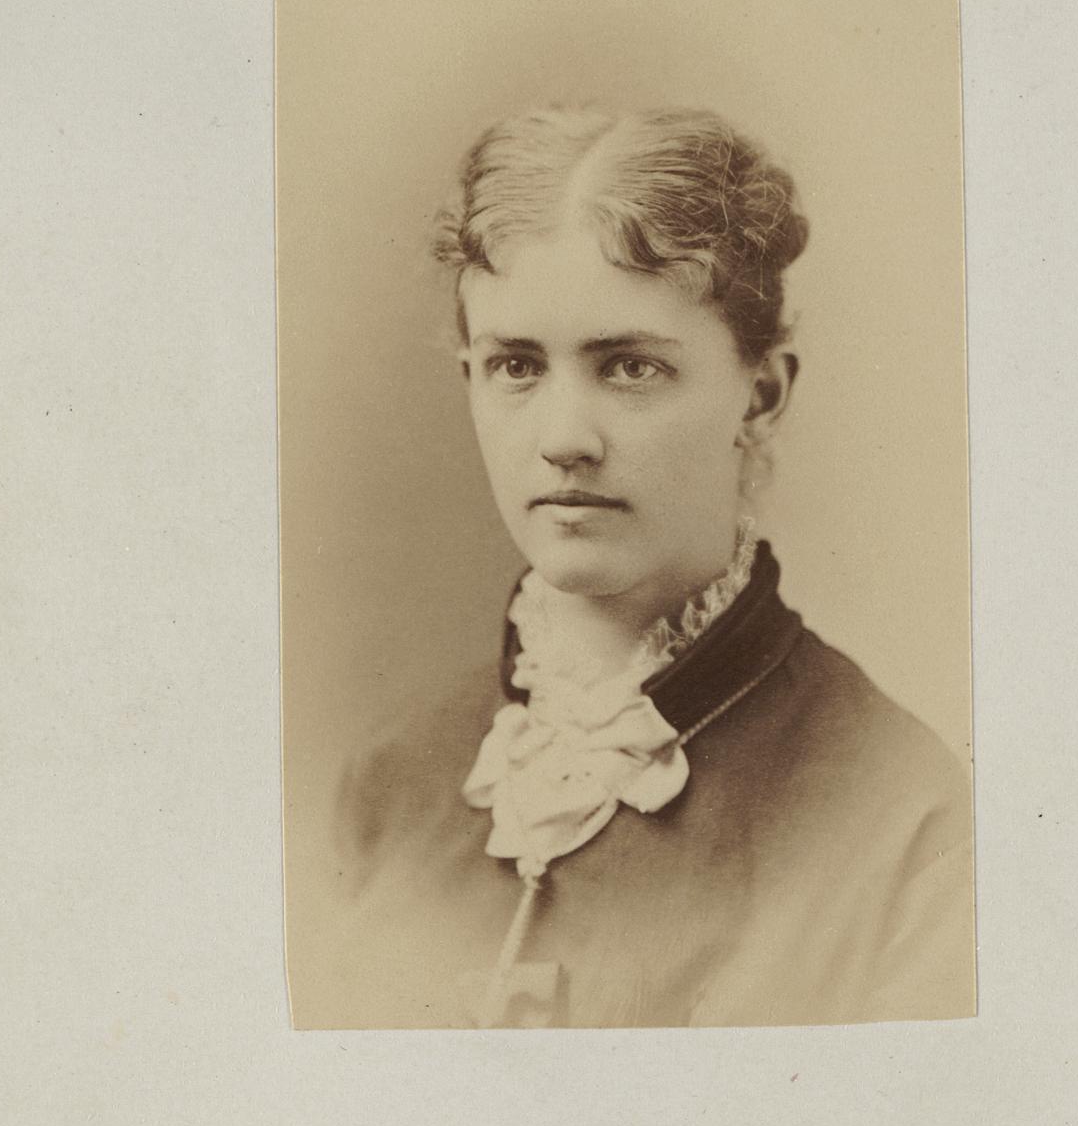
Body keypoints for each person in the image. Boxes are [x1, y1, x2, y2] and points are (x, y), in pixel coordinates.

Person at [296, 104, 974, 1030]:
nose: (563, 439)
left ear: (760, 395)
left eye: (628, 368)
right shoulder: (383, 796)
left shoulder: (904, 824)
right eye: (515, 367)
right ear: (469, 379)